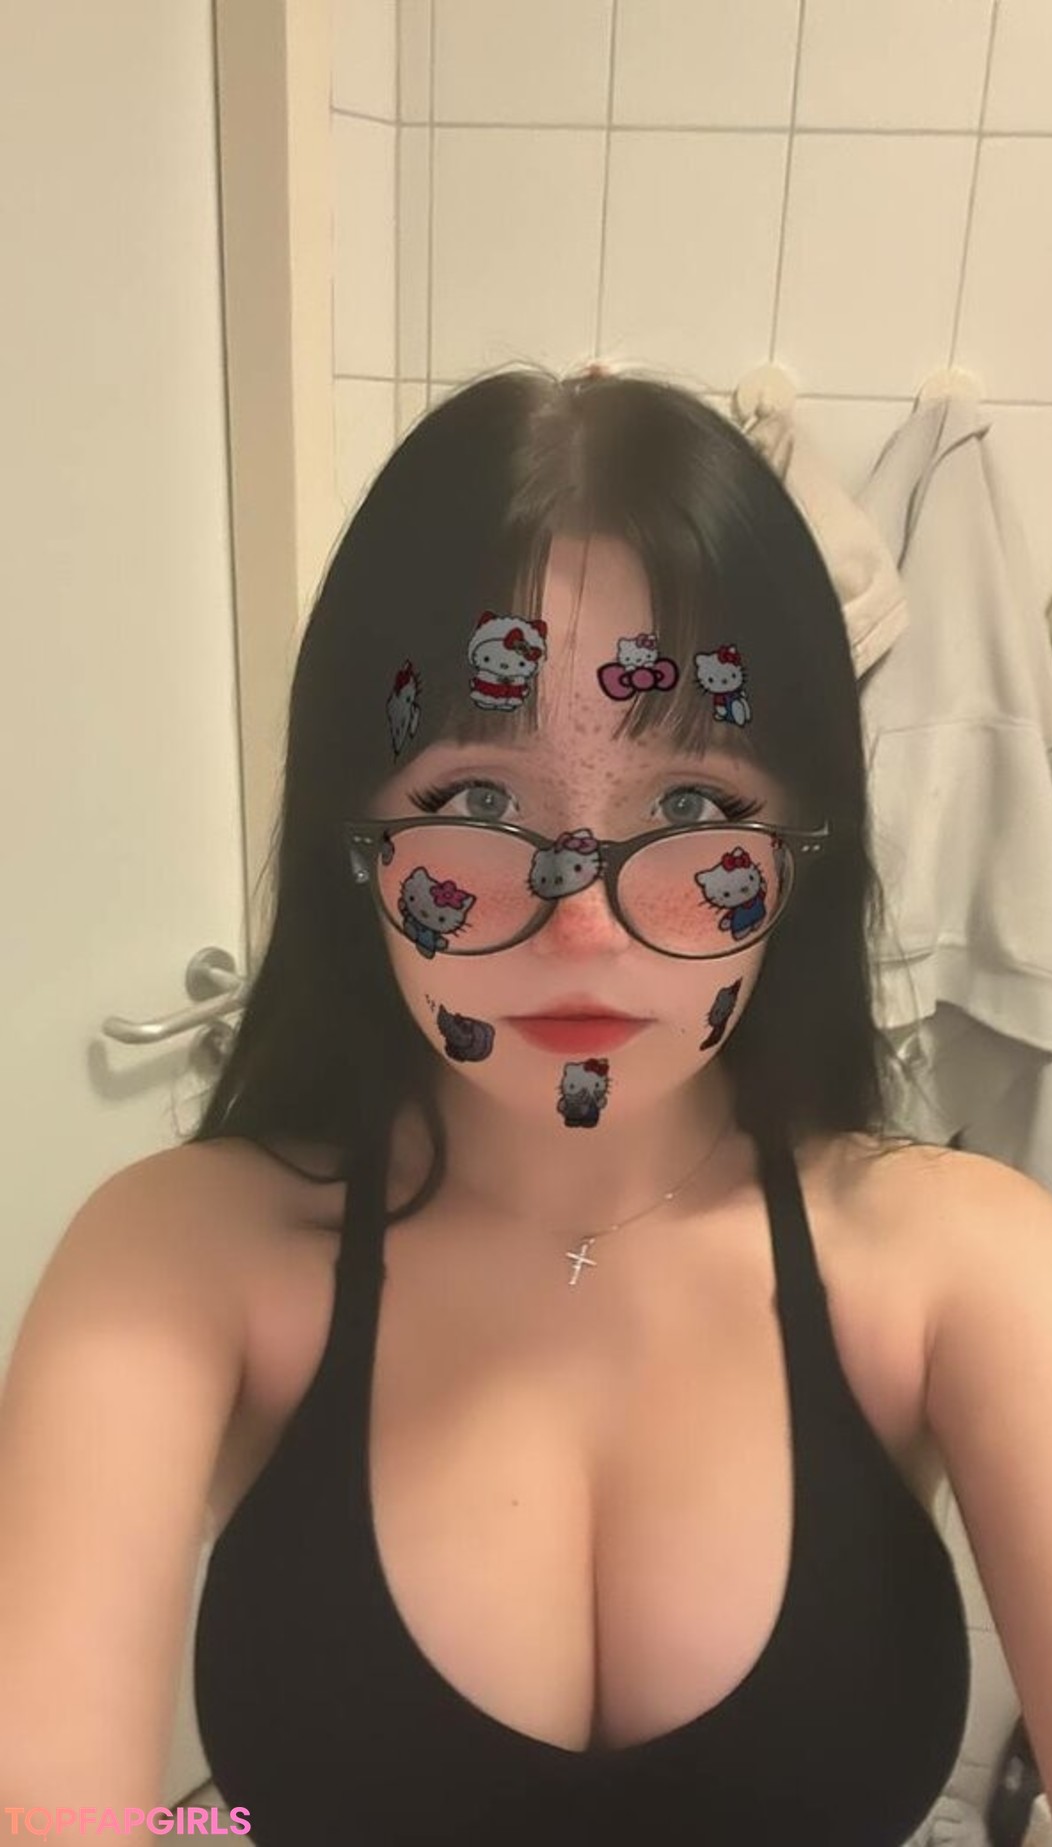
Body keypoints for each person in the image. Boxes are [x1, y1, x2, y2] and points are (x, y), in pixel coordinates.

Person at [0, 366, 973, 1845]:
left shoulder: (962, 1271)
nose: (580, 923)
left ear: (804, 846)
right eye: (473, 805)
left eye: (694, 808)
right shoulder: (177, 1261)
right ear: (354, 839)